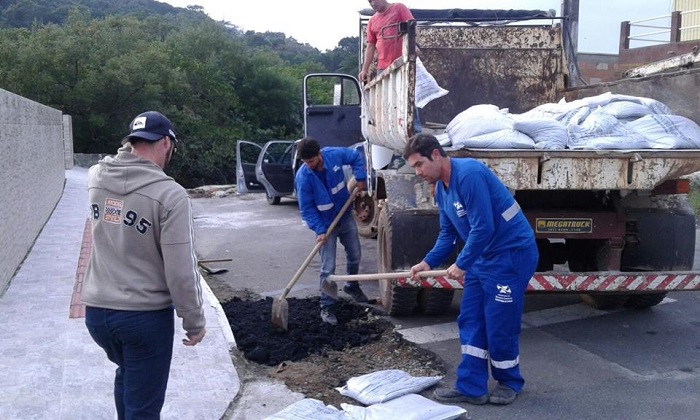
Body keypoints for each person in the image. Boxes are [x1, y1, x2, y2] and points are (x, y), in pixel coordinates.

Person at [82, 111, 206, 419]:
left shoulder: (96, 177)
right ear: (166, 142)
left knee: (128, 376)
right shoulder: (170, 195)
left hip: (97, 314)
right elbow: (180, 270)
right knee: (144, 408)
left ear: (131, 142)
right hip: (143, 319)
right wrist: (194, 320)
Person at [404, 133, 538, 406]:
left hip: (510, 254)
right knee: (471, 319)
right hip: (482, 257)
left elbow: (484, 227)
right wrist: (427, 262)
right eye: (414, 168)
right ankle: (471, 386)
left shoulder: (469, 175)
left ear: (437, 155)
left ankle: (509, 381)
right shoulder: (441, 189)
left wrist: (462, 263)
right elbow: (448, 233)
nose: (418, 172)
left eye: (419, 165)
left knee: (499, 322)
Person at [295, 137, 369, 325]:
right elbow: (307, 210)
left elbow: (356, 156)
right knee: (328, 267)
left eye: (311, 161)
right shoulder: (303, 178)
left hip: (344, 217)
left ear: (319, 154)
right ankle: (327, 306)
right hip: (326, 226)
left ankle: (352, 285)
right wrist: (320, 230)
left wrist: (360, 178)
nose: (309, 165)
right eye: (305, 162)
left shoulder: (333, 155)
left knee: (355, 255)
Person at [359, 0, 421, 133]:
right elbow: (370, 47)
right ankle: (392, 132)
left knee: (406, 97)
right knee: (387, 101)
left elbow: (413, 28)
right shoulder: (372, 21)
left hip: (402, 63)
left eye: (373, 0)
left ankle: (415, 134)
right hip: (383, 68)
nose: (372, 4)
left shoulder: (398, 8)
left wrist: (415, 45)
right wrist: (364, 69)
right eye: (369, 1)